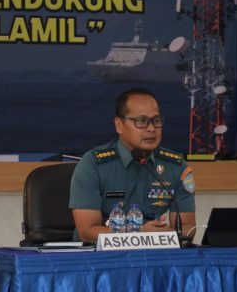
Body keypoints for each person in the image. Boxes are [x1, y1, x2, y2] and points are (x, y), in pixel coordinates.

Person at [69, 88, 196, 243]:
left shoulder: (176, 166)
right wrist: (139, 233)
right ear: (119, 125)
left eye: (156, 120)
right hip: (99, 254)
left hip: (155, 252)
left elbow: (187, 227)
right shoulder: (93, 164)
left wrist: (165, 235)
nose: (151, 128)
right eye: (141, 121)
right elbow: (87, 231)